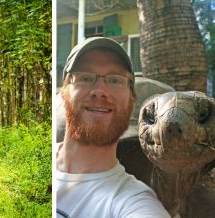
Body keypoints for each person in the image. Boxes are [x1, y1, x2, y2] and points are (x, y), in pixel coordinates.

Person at [56, 37, 170, 218]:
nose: (100, 90)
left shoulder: (134, 202)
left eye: (115, 80)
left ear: (132, 99)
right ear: (63, 92)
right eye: (85, 77)